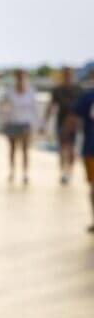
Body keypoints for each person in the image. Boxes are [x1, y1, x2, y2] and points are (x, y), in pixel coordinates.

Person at [41, 67, 83, 184]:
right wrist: (44, 122)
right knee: (62, 149)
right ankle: (63, 172)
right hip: (61, 121)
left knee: (71, 149)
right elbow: (51, 106)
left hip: (75, 123)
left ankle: (69, 172)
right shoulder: (57, 90)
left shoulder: (78, 89)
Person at [1, 69, 39, 184]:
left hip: (25, 123)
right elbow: (3, 105)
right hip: (12, 122)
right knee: (12, 149)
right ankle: (12, 171)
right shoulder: (10, 91)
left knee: (25, 150)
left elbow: (34, 108)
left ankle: (25, 173)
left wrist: (38, 124)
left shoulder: (31, 91)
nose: (20, 79)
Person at [65, 84, 94, 231]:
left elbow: (72, 118)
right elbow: (72, 117)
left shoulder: (87, 96)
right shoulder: (88, 97)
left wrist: (67, 136)